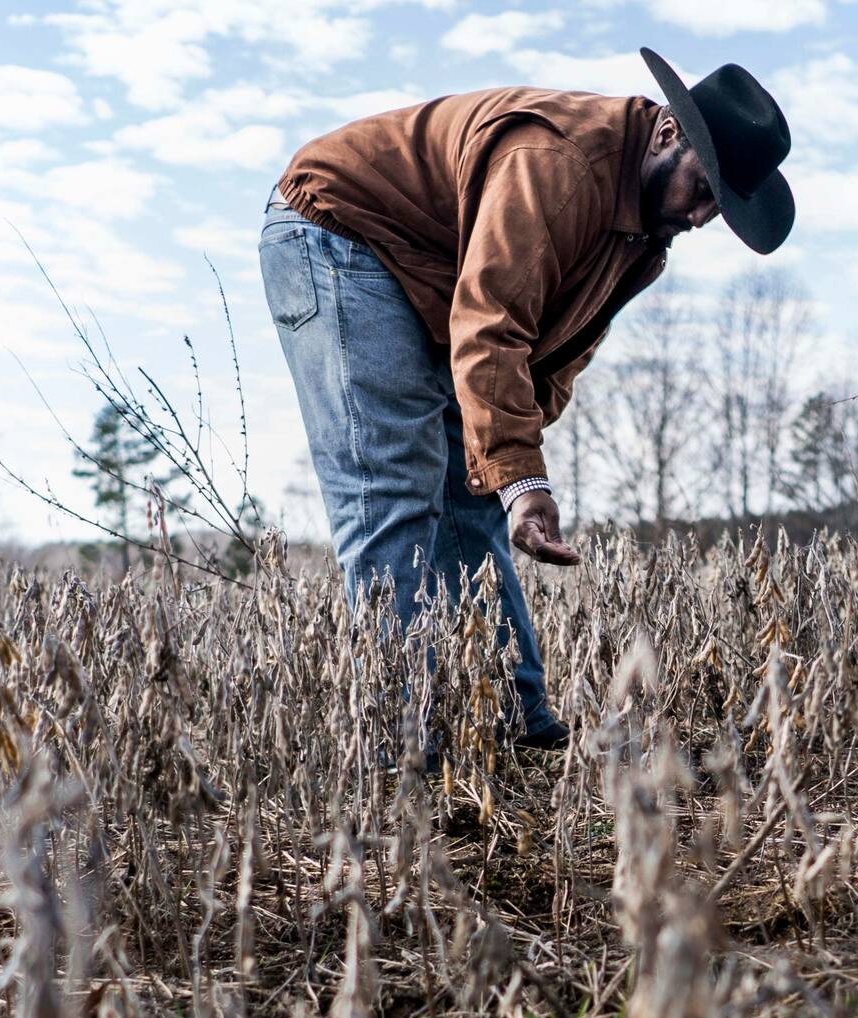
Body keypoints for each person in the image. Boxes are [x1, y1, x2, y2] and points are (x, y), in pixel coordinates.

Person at [260, 48, 795, 750]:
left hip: (433, 278)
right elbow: (492, 321)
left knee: (474, 491)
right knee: (393, 484)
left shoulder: (641, 237)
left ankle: (517, 721)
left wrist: (513, 476)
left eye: (717, 210)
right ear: (669, 134)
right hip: (339, 233)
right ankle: (398, 747)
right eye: (702, 188)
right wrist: (522, 475)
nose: (700, 216)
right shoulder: (560, 164)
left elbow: (555, 354)